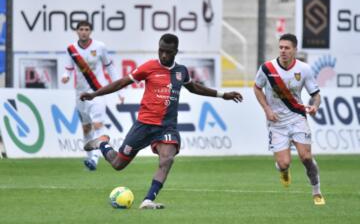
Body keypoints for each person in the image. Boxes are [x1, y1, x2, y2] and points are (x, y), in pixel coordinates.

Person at [80, 33, 243, 209]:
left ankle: (148, 200)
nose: (164, 55)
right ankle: (103, 142)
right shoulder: (149, 67)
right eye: (161, 51)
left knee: (167, 159)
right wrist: (95, 94)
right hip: (144, 125)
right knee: (118, 164)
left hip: (167, 127)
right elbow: (121, 83)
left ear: (175, 52)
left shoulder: (181, 72)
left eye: (168, 52)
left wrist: (222, 95)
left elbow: (194, 87)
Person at [254, 33, 325, 205]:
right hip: (276, 122)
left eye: (287, 48)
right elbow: (256, 88)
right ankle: (283, 170)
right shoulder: (267, 68)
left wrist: (315, 106)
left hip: (297, 118)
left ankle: (316, 192)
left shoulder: (304, 69)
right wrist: (267, 109)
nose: (283, 51)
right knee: (284, 163)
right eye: (281, 47)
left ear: (294, 50)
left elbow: (316, 95)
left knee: (306, 157)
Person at [62, 20, 124, 171]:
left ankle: (95, 159)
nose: (84, 31)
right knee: (86, 128)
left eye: (86, 29)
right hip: (80, 93)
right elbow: (69, 68)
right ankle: (89, 159)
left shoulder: (100, 47)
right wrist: (66, 76)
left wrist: (119, 91)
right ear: (77, 31)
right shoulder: (71, 49)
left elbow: (110, 68)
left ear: (90, 31)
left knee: (98, 125)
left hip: (97, 91)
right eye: (81, 29)